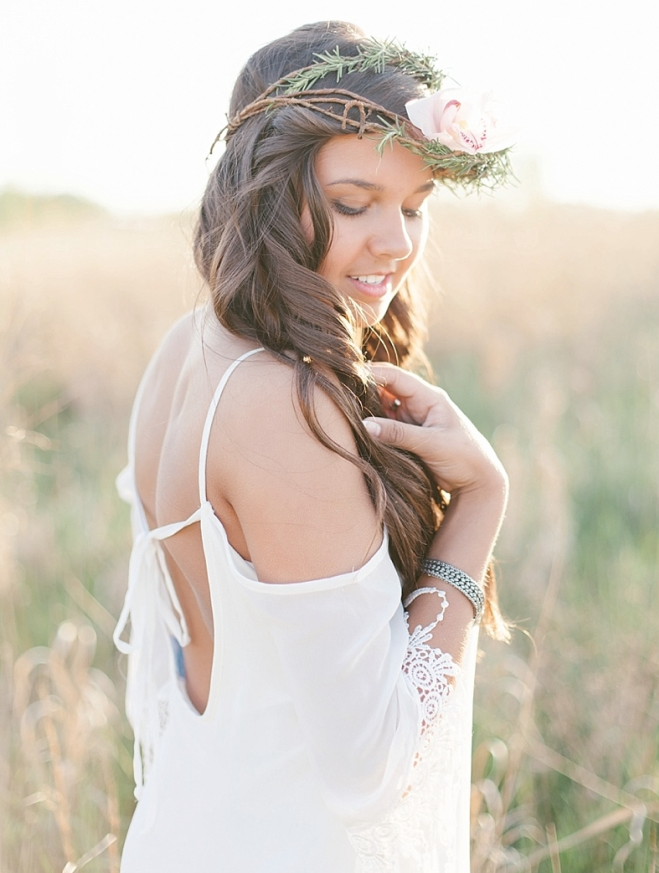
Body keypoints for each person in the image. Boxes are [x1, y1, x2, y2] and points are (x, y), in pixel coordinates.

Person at [113, 20, 513, 872]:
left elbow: (184, 664)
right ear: (265, 190)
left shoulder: (187, 347)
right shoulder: (283, 409)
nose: (396, 242)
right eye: (353, 202)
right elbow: (369, 774)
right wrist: (480, 502)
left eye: (414, 205)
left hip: (190, 829)